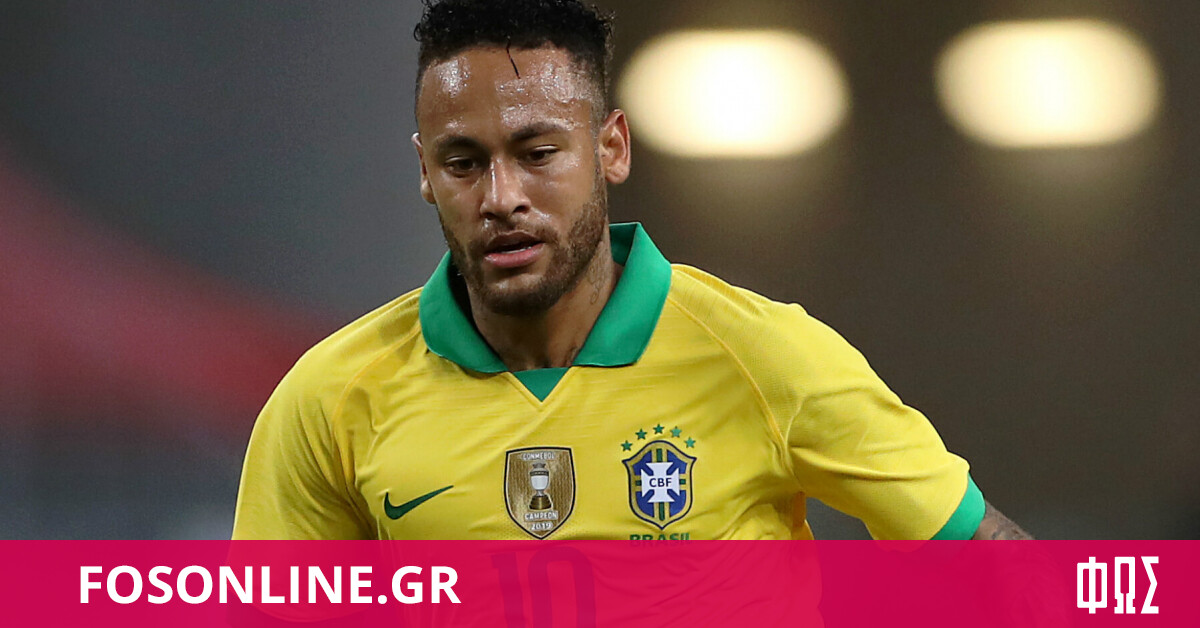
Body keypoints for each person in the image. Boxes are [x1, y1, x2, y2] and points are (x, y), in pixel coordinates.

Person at [232, 0, 1030, 541]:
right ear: (424, 171)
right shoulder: (329, 401)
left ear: (610, 147)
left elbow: (995, 568)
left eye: (538, 153)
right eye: (463, 163)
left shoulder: (765, 358)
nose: (501, 197)